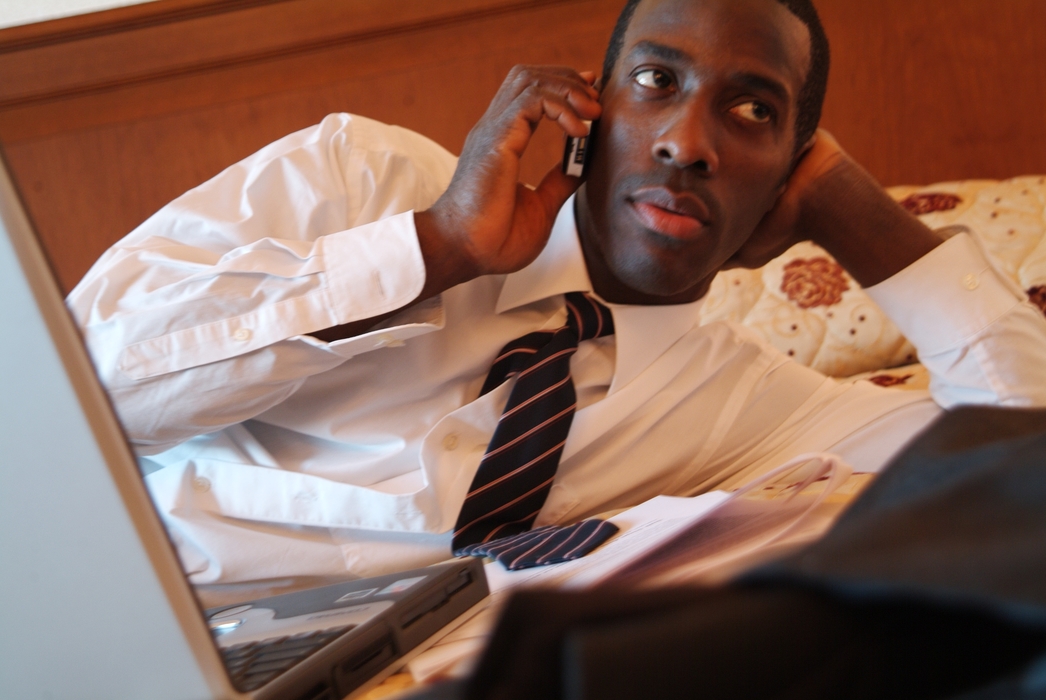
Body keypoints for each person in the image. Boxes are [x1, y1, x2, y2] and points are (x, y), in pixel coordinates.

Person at [69, 0, 1046, 584]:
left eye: (751, 112)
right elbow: (70, 408)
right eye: (655, 80)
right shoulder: (351, 175)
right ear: (590, 107)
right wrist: (436, 249)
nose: (684, 141)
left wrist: (852, 211)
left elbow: (1019, 477)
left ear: (786, 171)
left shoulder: (748, 407)